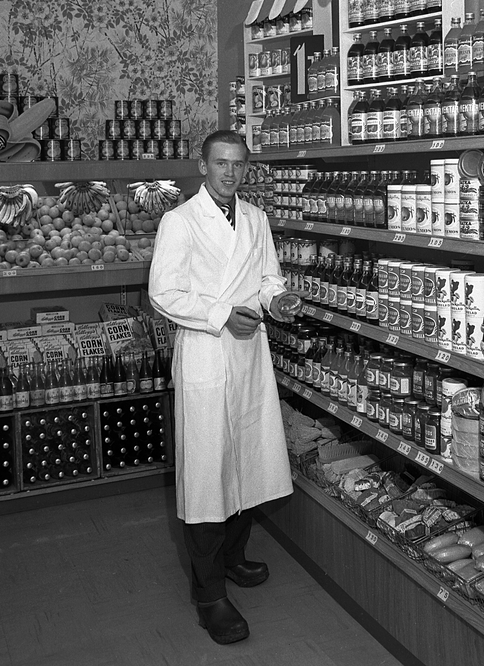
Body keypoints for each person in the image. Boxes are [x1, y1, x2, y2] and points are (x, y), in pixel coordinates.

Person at [147, 129, 301, 645]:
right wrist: (219, 315)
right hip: (208, 353)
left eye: (238, 164)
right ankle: (209, 595)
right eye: (220, 163)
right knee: (208, 471)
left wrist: (276, 301)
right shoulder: (180, 221)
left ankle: (233, 556)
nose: (230, 172)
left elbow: (267, 277)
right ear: (202, 165)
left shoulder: (256, 218)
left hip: (249, 349)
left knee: (249, 459)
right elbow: (163, 292)